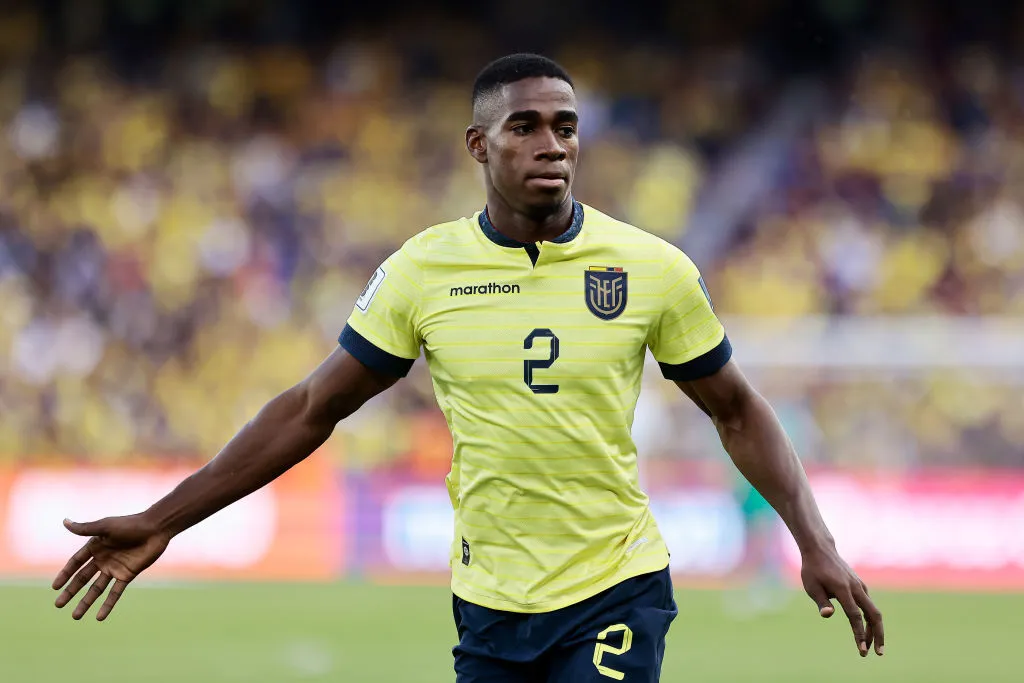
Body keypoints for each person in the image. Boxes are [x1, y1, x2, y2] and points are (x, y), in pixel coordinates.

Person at [52, 53, 884, 681]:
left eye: (565, 125)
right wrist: (166, 518)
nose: (551, 143)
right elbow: (313, 407)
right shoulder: (422, 271)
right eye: (525, 127)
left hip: (617, 586)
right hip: (488, 602)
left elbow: (735, 409)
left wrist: (816, 541)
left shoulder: (650, 268)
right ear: (478, 145)